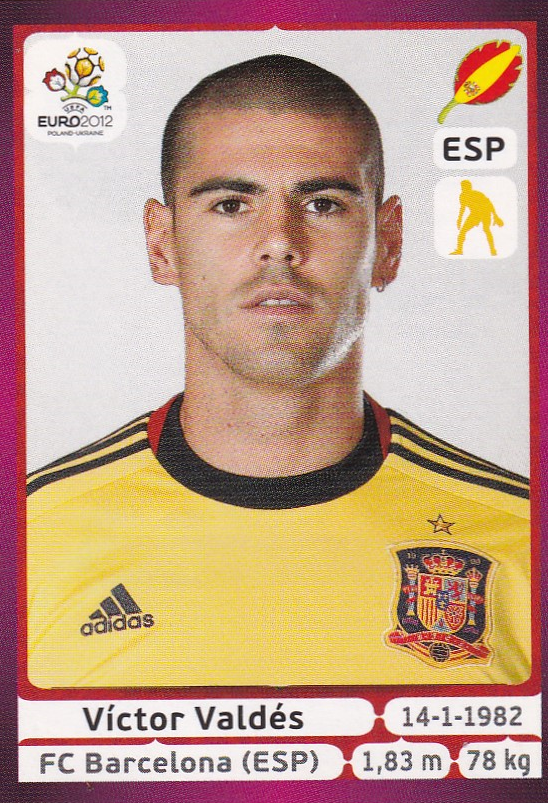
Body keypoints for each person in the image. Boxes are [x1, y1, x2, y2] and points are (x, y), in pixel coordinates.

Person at [27, 55, 530, 689]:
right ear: (162, 244)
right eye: (231, 204)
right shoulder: (28, 541)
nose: (279, 243)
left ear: (389, 242)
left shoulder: (522, 540)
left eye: (322, 204)